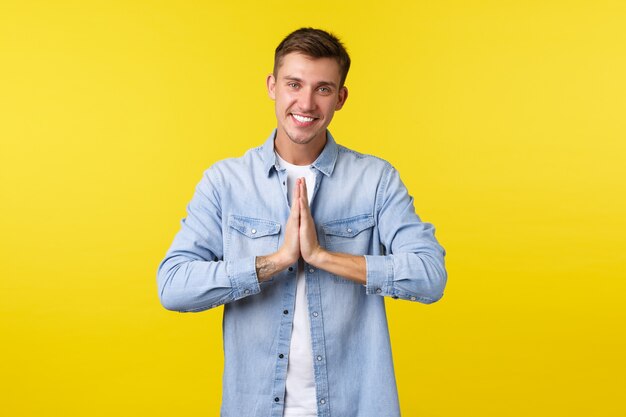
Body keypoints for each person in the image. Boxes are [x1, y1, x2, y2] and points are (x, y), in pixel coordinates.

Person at [157, 27, 447, 417]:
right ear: (272, 86)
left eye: (323, 89)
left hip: (356, 405)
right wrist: (274, 262)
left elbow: (430, 276)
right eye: (294, 84)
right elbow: (173, 286)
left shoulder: (375, 180)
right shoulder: (225, 182)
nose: (306, 102)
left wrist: (323, 256)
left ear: (340, 98)